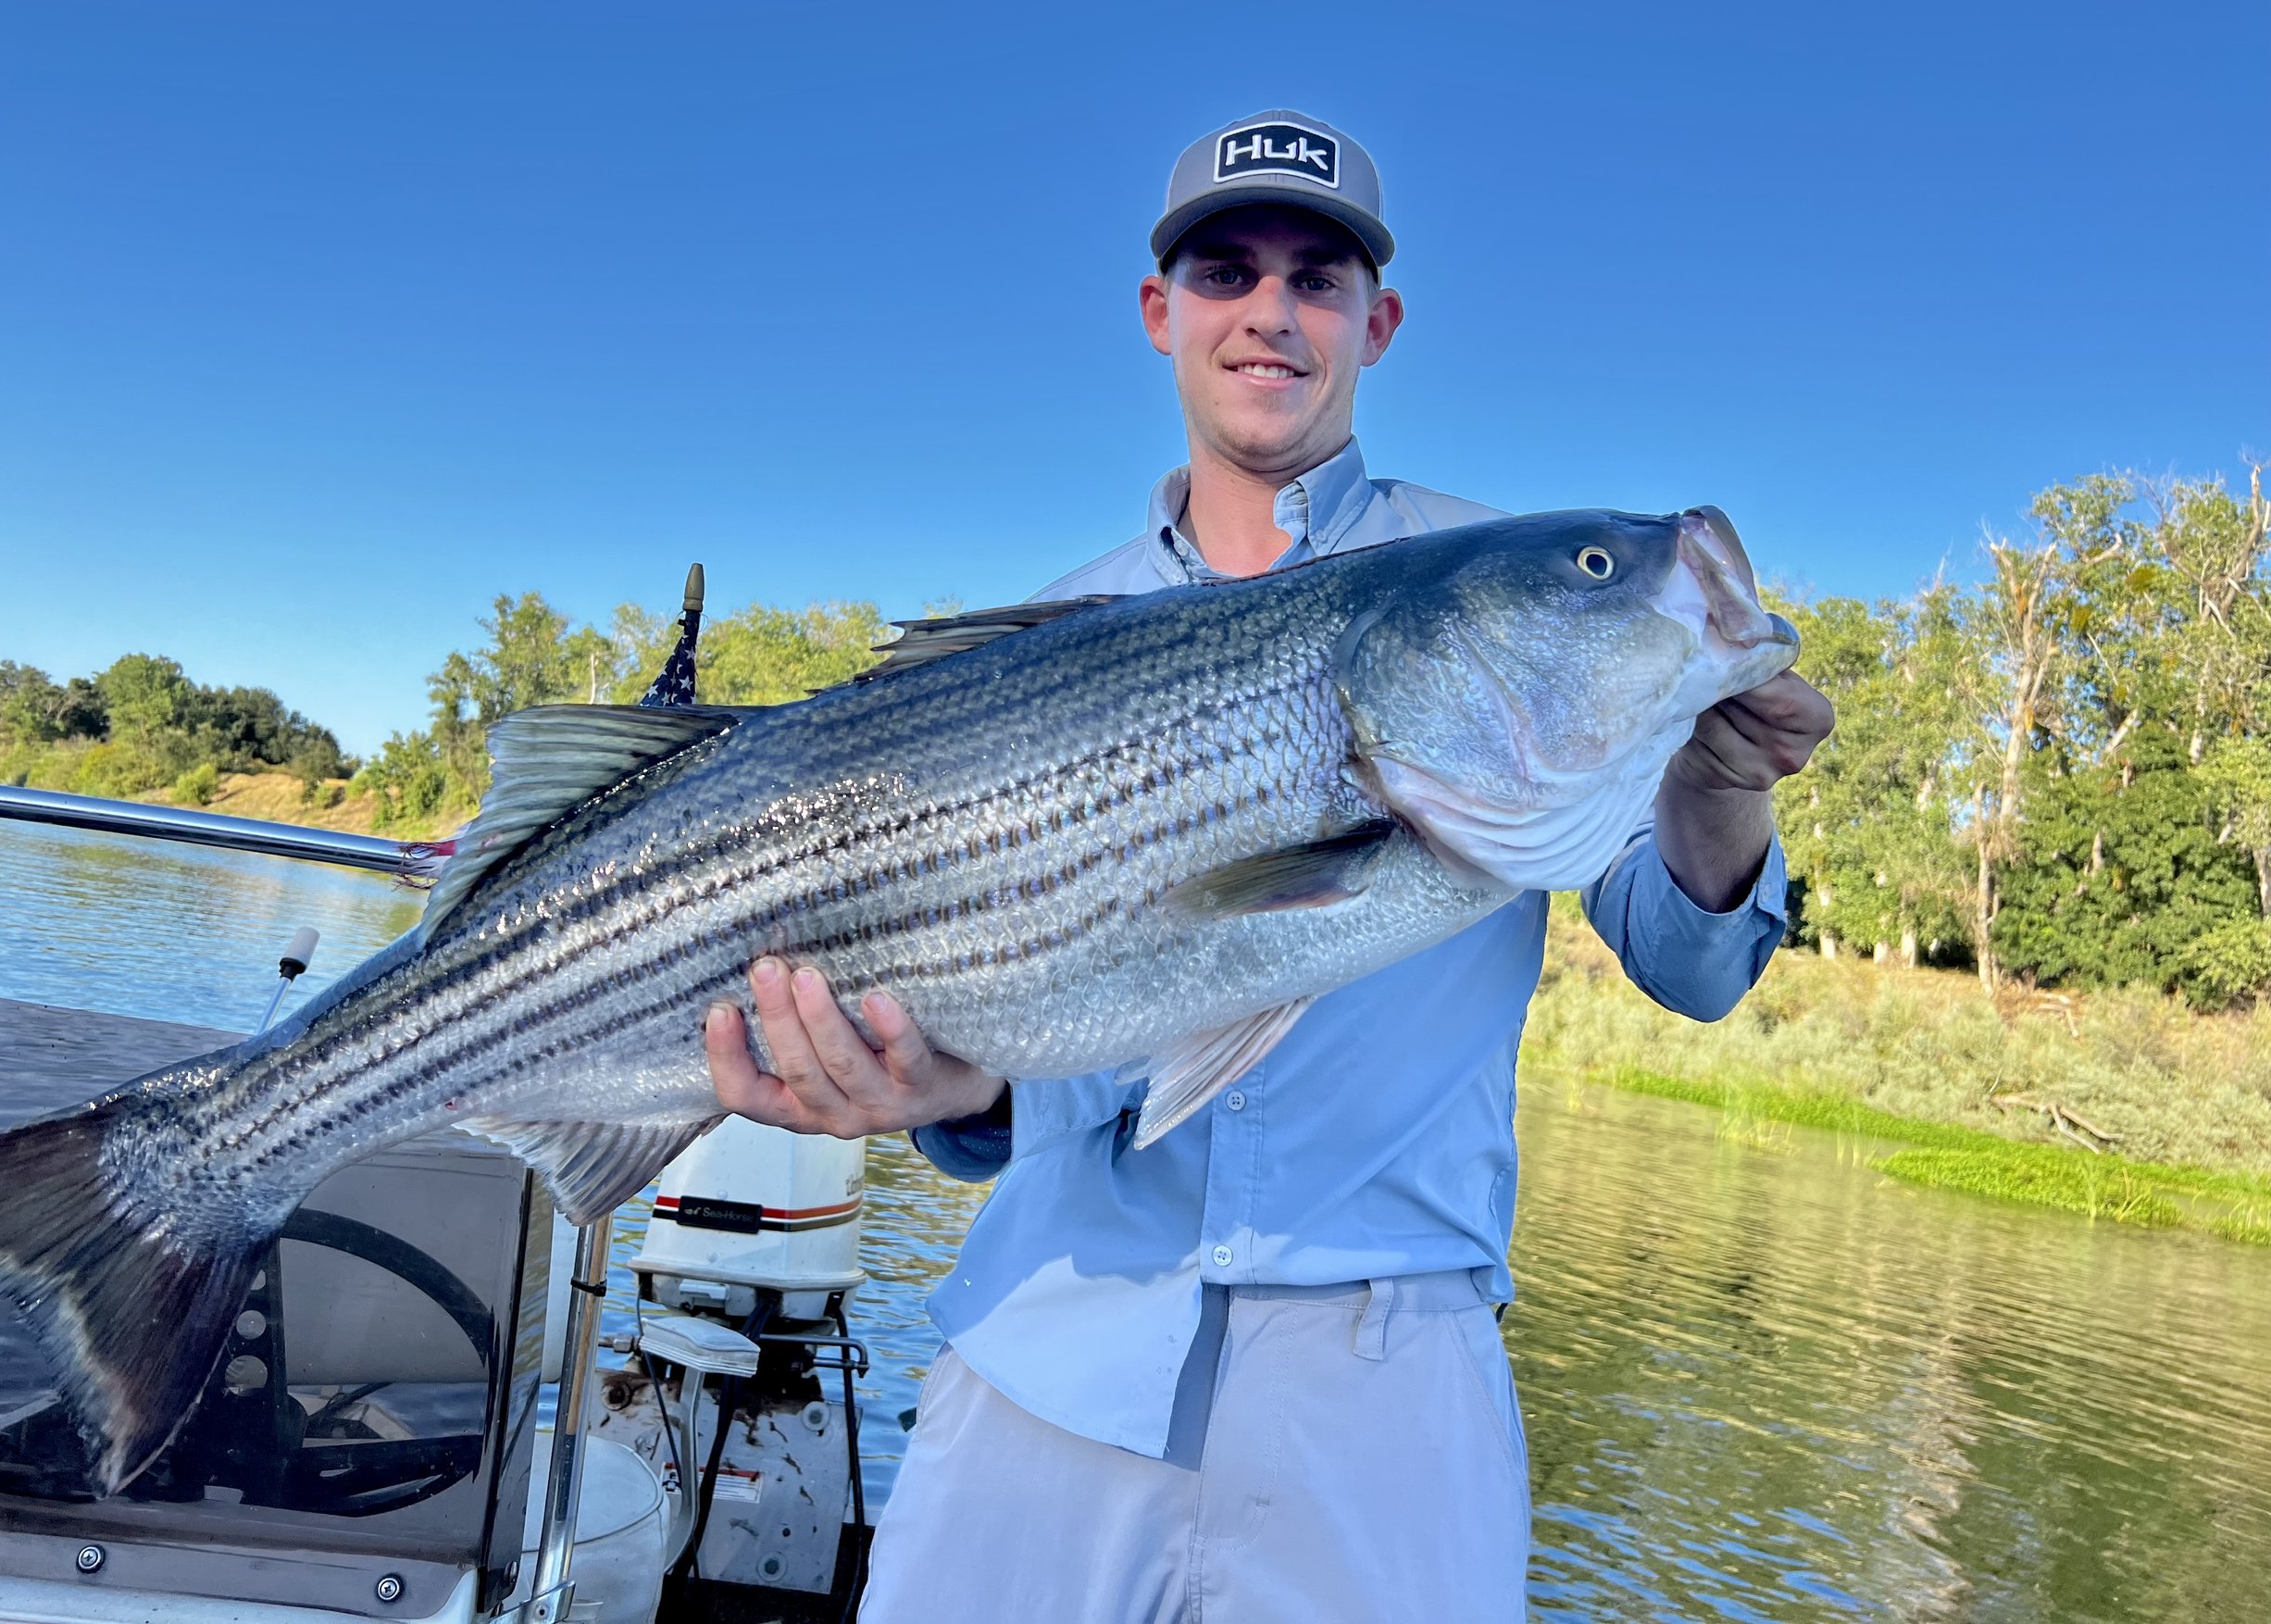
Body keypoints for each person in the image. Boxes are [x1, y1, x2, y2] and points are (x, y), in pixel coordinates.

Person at [703, 110, 1835, 1622]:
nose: (1272, 313)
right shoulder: (1046, 634)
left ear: (1378, 322)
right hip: (1051, 1335)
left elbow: (1695, 964)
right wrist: (951, 1098)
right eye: (1228, 272)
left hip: (1387, 1381)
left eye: (1318, 279)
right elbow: (979, 1103)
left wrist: (1720, 781)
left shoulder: (1489, 583)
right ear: (1163, 312)